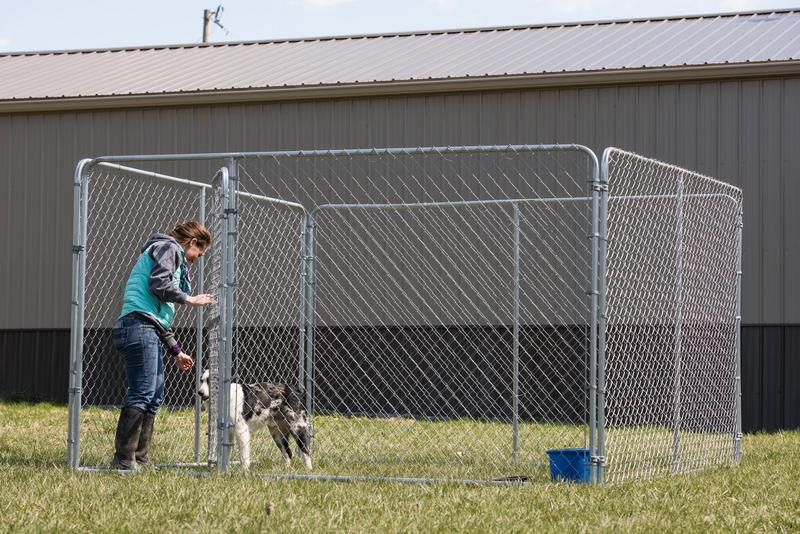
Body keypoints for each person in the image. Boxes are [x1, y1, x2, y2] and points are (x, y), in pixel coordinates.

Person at [110, 220, 216, 470]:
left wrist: (176, 351)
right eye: (197, 255)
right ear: (192, 243)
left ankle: (140, 458)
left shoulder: (168, 252)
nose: (194, 261)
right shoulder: (169, 249)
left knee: (154, 395)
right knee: (143, 391)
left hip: (144, 326)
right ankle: (124, 460)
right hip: (138, 326)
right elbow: (158, 284)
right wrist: (189, 298)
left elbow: (157, 315)